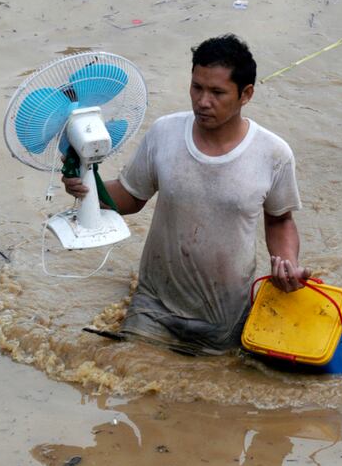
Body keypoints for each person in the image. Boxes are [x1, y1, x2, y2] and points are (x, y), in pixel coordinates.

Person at [63, 34, 309, 355]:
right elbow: (130, 197)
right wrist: (86, 184)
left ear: (246, 94)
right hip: (154, 305)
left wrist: (287, 264)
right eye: (197, 87)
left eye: (217, 92)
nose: (203, 101)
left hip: (225, 316)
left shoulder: (273, 154)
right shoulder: (164, 133)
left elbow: (279, 220)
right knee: (128, 365)